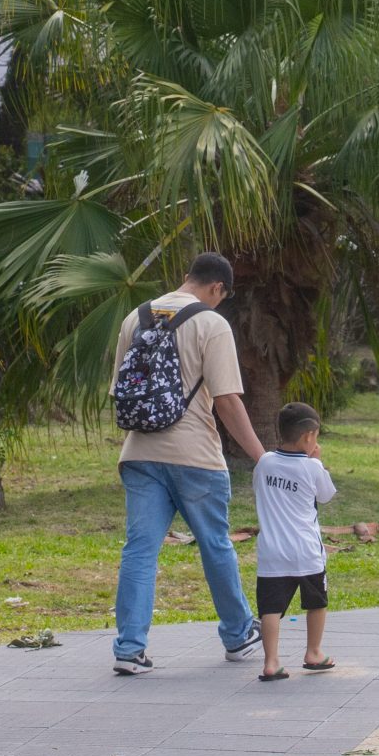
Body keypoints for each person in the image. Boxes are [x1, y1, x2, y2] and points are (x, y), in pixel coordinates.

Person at [108, 251, 267, 675]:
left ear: (185, 277)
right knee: (215, 544)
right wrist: (260, 457)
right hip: (194, 456)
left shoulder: (135, 317)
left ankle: (129, 649)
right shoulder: (211, 323)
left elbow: (119, 392)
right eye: (221, 297)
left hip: (139, 452)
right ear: (218, 288)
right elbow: (228, 401)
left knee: (139, 549)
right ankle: (237, 636)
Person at [252, 402, 338, 681]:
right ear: (309, 436)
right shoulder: (311, 467)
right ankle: (313, 652)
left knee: (271, 609)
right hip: (307, 552)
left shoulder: (264, 462)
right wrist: (318, 462)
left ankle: (271, 661)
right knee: (316, 602)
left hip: (272, 553)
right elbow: (325, 496)